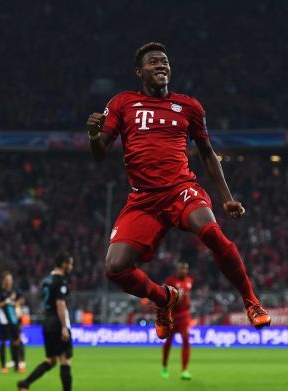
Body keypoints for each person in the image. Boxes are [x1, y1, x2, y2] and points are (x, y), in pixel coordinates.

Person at [87, 42, 270, 340]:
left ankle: (251, 301)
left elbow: (208, 153)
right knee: (115, 267)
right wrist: (94, 134)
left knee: (211, 233)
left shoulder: (189, 106)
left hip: (180, 190)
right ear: (139, 71)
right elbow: (99, 153)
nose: (161, 65)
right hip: (143, 199)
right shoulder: (122, 103)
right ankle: (164, 298)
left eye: (165, 61)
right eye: (153, 62)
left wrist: (226, 199)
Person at [17, 251, 85, 391]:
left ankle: (25, 384)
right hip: (57, 323)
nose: (71, 267)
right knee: (65, 359)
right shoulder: (61, 282)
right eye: (70, 264)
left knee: (52, 360)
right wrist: (64, 327)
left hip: (47, 322)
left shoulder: (46, 281)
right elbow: (60, 304)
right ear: (63, 264)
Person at [161, 262, 194, 380]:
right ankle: (164, 366)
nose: (183, 271)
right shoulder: (170, 281)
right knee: (168, 342)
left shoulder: (190, 281)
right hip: (172, 317)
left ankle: (184, 371)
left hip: (184, 317)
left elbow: (187, 296)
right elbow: (163, 295)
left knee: (186, 341)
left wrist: (188, 304)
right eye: (181, 268)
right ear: (177, 269)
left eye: (185, 268)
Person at [0, 271, 26, 373]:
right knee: (3, 342)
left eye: (10, 279)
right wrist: (7, 301)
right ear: (3, 280)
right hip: (3, 320)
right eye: (8, 279)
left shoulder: (15, 290)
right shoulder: (0, 292)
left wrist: (17, 303)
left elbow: (22, 300)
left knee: (16, 341)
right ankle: (3, 366)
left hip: (14, 319)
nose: (10, 281)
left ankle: (17, 365)